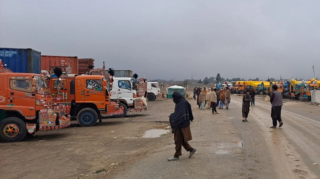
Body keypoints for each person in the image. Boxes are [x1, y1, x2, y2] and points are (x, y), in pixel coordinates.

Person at [168, 92, 196, 161]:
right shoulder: (183, 102)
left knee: (177, 140)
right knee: (182, 139)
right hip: (184, 123)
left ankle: (176, 155)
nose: (173, 99)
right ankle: (191, 149)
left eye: (173, 98)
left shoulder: (181, 104)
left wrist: (172, 117)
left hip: (181, 124)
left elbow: (179, 115)